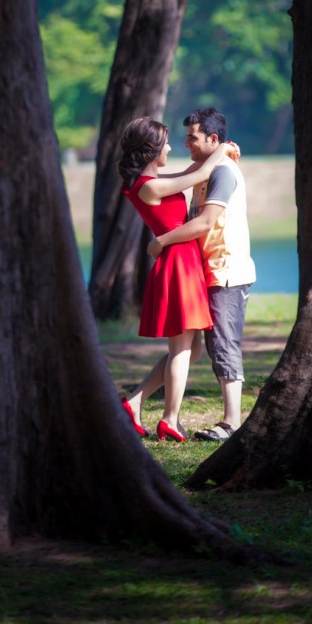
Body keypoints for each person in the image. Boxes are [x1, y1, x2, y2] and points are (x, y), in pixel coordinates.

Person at [118, 116, 231, 443]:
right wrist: (223, 145)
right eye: (166, 142)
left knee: (191, 349)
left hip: (182, 262)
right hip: (178, 264)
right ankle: (170, 418)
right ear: (152, 150)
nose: (171, 146)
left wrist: (217, 152)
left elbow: (187, 175)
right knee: (182, 348)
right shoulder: (149, 186)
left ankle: (135, 401)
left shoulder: (152, 181)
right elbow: (201, 174)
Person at [147, 107, 255, 442]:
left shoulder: (222, 172)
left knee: (223, 345)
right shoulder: (205, 169)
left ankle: (231, 422)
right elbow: (172, 181)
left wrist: (161, 242)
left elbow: (206, 222)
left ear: (212, 138)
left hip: (227, 272)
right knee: (195, 349)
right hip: (206, 273)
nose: (186, 144)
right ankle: (137, 399)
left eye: (192, 138)